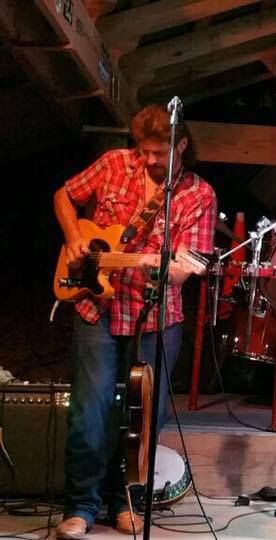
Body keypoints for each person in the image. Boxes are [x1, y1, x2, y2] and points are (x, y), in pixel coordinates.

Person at [53, 104, 217, 539]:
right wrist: (75, 238)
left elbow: (185, 267)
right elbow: (64, 195)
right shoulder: (114, 164)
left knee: (144, 420)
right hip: (98, 308)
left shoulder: (199, 195)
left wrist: (160, 267)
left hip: (157, 318)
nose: (148, 160)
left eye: (159, 152)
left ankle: (125, 502)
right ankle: (81, 506)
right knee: (89, 411)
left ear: (181, 145)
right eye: (144, 150)